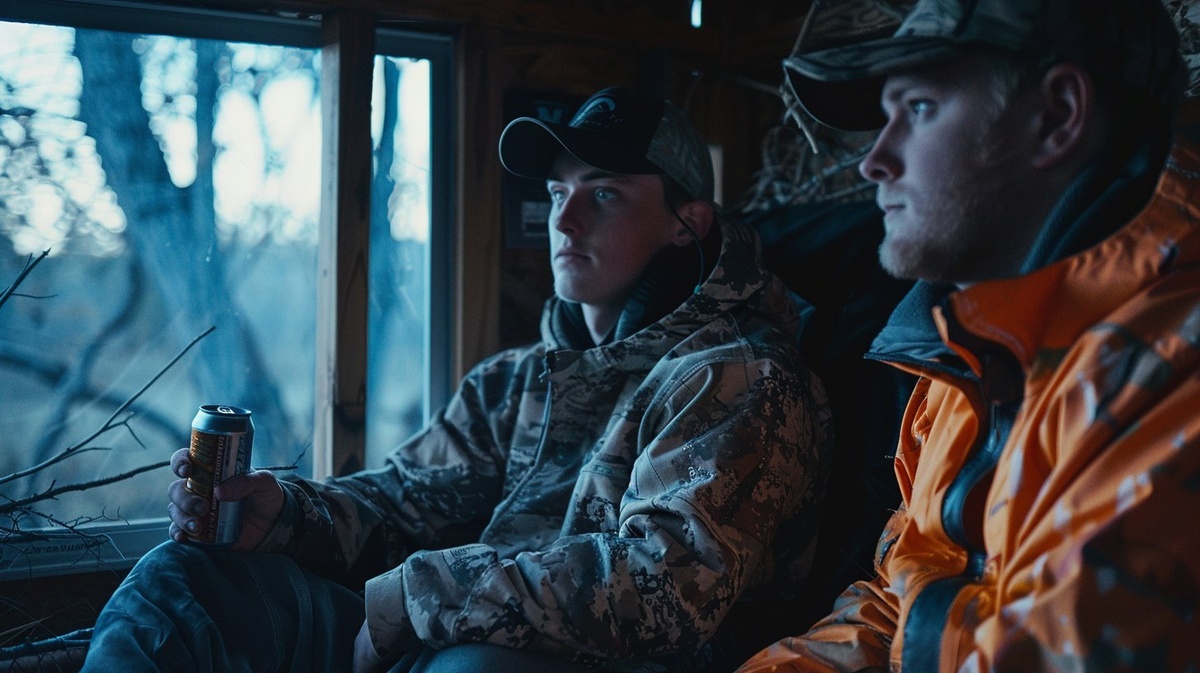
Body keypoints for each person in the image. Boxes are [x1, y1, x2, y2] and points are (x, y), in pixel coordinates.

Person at [81, 86, 832, 673]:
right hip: (438, 632)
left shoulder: (737, 378)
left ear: (685, 223)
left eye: (603, 193)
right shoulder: (515, 380)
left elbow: (663, 586)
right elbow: (404, 501)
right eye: (559, 192)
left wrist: (423, 598)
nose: (564, 220)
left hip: (581, 661)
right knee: (181, 580)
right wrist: (284, 514)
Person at [737, 0, 1200, 671]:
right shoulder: (966, 353)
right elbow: (898, 600)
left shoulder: (1170, 369)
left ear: (1057, 116)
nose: (874, 161)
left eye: (919, 108)